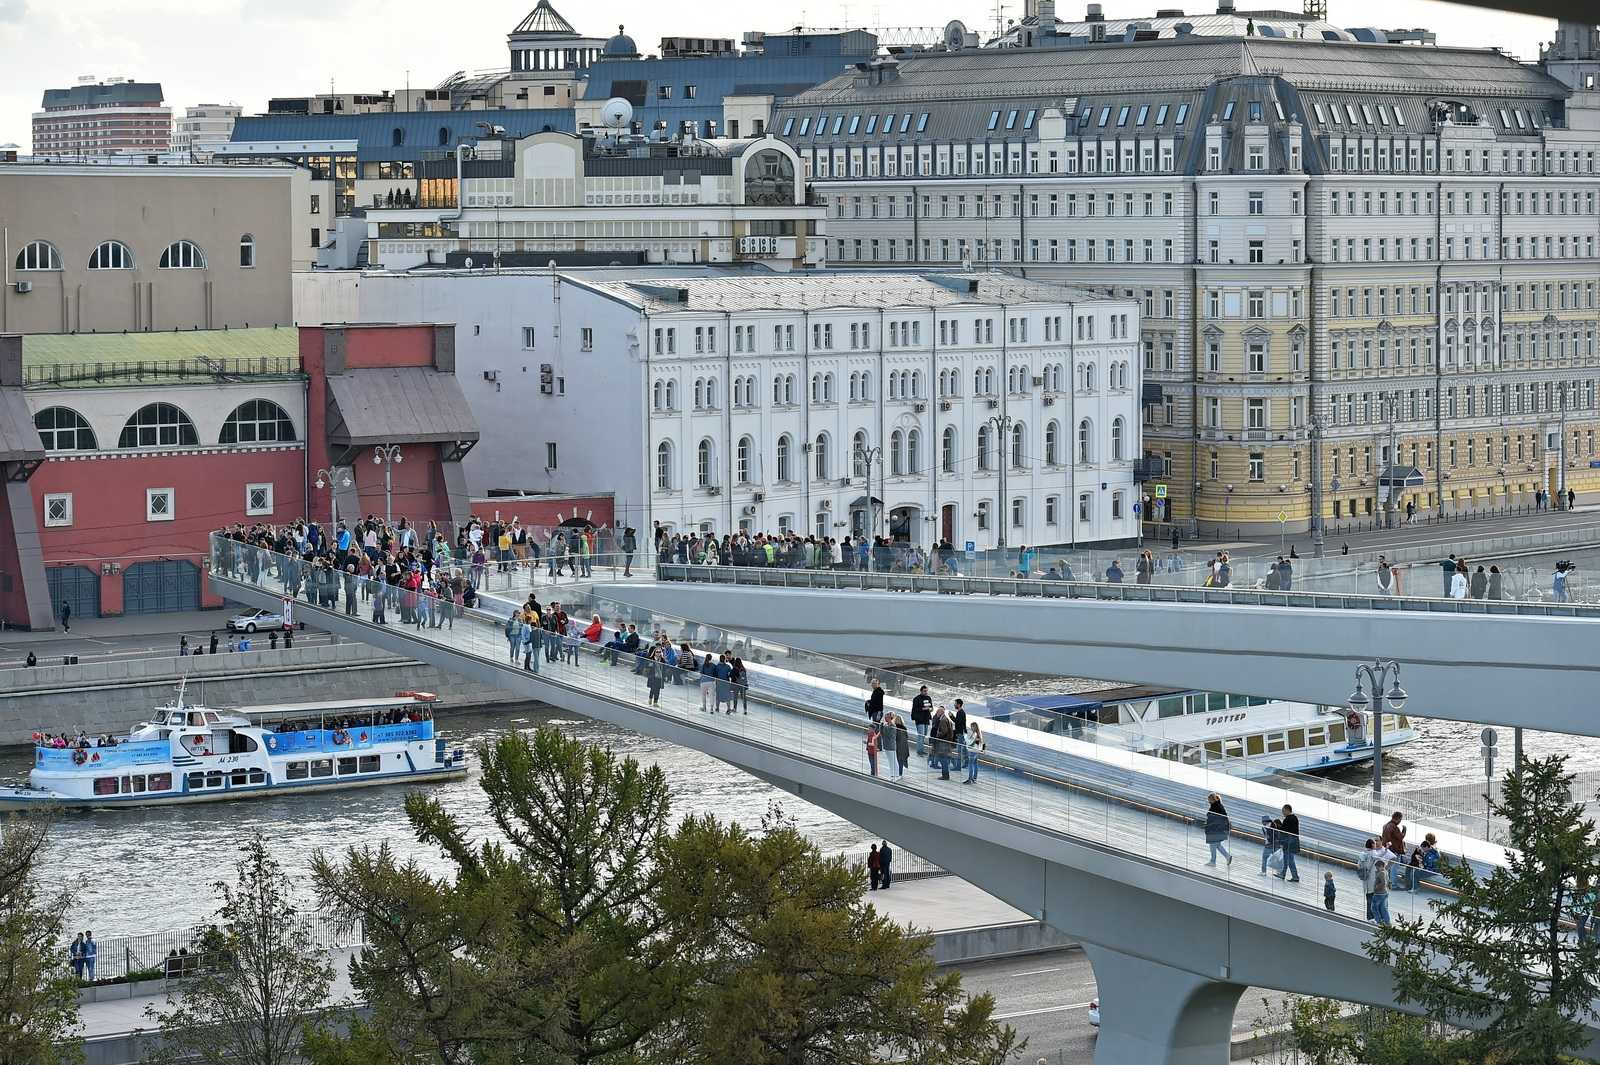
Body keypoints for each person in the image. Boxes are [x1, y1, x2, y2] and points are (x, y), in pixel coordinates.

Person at [1204, 794, 1233, 867]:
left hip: (1216, 829)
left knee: (1213, 844)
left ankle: (1213, 862)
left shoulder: (1215, 807)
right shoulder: (1218, 805)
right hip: (1219, 829)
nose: (1208, 801)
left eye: (1209, 800)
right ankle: (1227, 856)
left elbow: (1213, 818)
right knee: (1217, 845)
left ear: (1212, 799)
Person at [1277, 805, 1300, 883]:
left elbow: (1284, 831)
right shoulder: (1295, 818)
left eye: (1283, 811)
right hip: (1294, 842)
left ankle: (1293, 876)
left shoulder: (1287, 819)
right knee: (1289, 859)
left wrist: (1278, 826)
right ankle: (1286, 874)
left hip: (1288, 842)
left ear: (1287, 810)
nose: (1283, 813)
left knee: (1288, 859)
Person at [1358, 839, 1380, 920]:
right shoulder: (1374, 853)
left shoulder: (1362, 854)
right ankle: (1373, 917)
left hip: (1365, 880)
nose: (1376, 845)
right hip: (1372, 880)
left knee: (1368, 899)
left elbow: (1359, 865)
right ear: (1372, 845)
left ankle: (1369, 917)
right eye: (1374, 843)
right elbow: (1381, 857)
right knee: (1373, 900)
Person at [910, 685, 933, 756]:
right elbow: (915, 709)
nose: (926, 692)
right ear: (921, 691)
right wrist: (923, 709)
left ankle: (921, 750)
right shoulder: (916, 699)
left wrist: (931, 709)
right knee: (921, 735)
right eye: (924, 691)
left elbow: (931, 707)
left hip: (926, 719)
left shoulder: (928, 698)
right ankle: (919, 751)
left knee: (924, 734)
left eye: (926, 691)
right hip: (919, 720)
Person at [892, 714, 910, 778]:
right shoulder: (904, 729)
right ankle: (900, 773)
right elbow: (907, 737)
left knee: (896, 760)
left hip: (896, 746)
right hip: (904, 747)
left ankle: (896, 773)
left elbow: (894, 738)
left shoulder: (894, 728)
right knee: (901, 761)